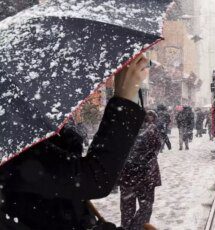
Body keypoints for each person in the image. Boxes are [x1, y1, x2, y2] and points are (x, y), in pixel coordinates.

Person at [0, 55, 149, 229]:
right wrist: (125, 97)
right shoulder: (12, 145)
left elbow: (72, 217)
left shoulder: (31, 135)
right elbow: (95, 178)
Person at [119, 110, 162, 230]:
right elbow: (157, 147)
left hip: (127, 176)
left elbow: (115, 154)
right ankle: (136, 227)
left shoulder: (122, 130)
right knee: (146, 207)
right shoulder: (151, 130)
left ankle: (127, 227)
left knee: (127, 209)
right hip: (146, 175)